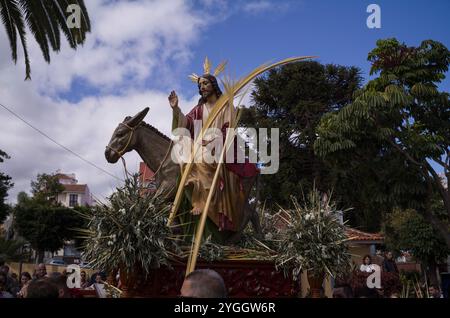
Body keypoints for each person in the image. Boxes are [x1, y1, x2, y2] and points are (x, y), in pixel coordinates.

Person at [169, 61, 258, 241]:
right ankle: (195, 196)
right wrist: (176, 108)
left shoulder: (225, 105)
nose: (202, 87)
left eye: (205, 83)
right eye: (200, 84)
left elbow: (229, 128)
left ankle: (202, 202)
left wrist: (213, 139)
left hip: (222, 147)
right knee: (184, 153)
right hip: (201, 145)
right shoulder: (198, 109)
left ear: (214, 85)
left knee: (201, 158)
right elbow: (184, 125)